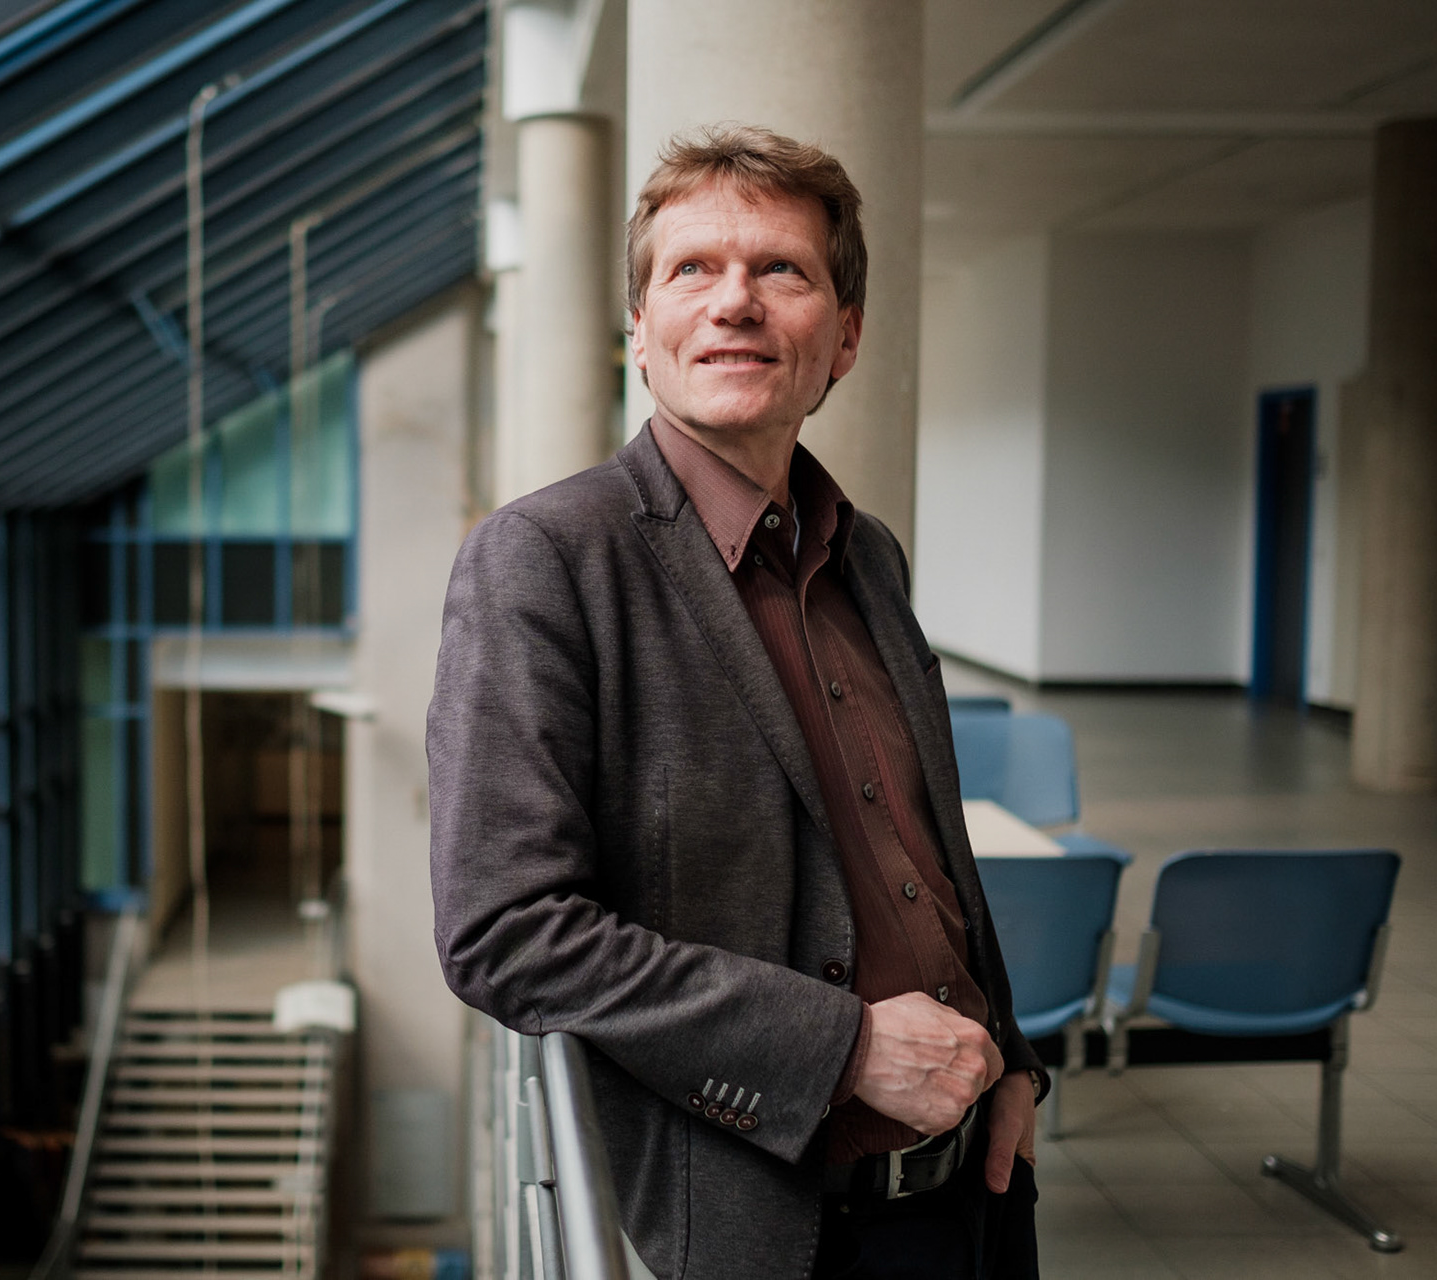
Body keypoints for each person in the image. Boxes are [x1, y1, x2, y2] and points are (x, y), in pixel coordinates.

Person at [427, 124, 1046, 1279]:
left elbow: (925, 852)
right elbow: (506, 931)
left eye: (781, 270)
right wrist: (844, 1047)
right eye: (692, 269)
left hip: (973, 1197)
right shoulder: (547, 560)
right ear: (640, 331)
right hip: (778, 1224)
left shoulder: (869, 556)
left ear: (845, 335)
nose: (734, 302)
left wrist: (1013, 1059)